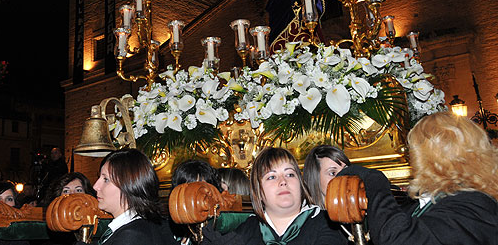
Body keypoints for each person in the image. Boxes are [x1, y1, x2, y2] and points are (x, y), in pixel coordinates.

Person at [338, 111, 498, 244]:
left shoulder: (475, 206)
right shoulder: (431, 201)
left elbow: (398, 238)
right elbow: (390, 221)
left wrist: (373, 179)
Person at [201, 147, 346, 245]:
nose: (283, 182)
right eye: (271, 177)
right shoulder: (247, 229)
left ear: (301, 185)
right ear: (258, 191)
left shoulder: (327, 223)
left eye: (290, 174)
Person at [92, 148, 178, 244]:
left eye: (106, 179)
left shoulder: (131, 236)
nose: (95, 186)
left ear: (129, 185)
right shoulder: (147, 226)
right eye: (99, 177)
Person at [302, 145, 351, 209]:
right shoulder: (306, 217)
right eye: (332, 173)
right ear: (315, 178)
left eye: (345, 170)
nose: (343, 177)